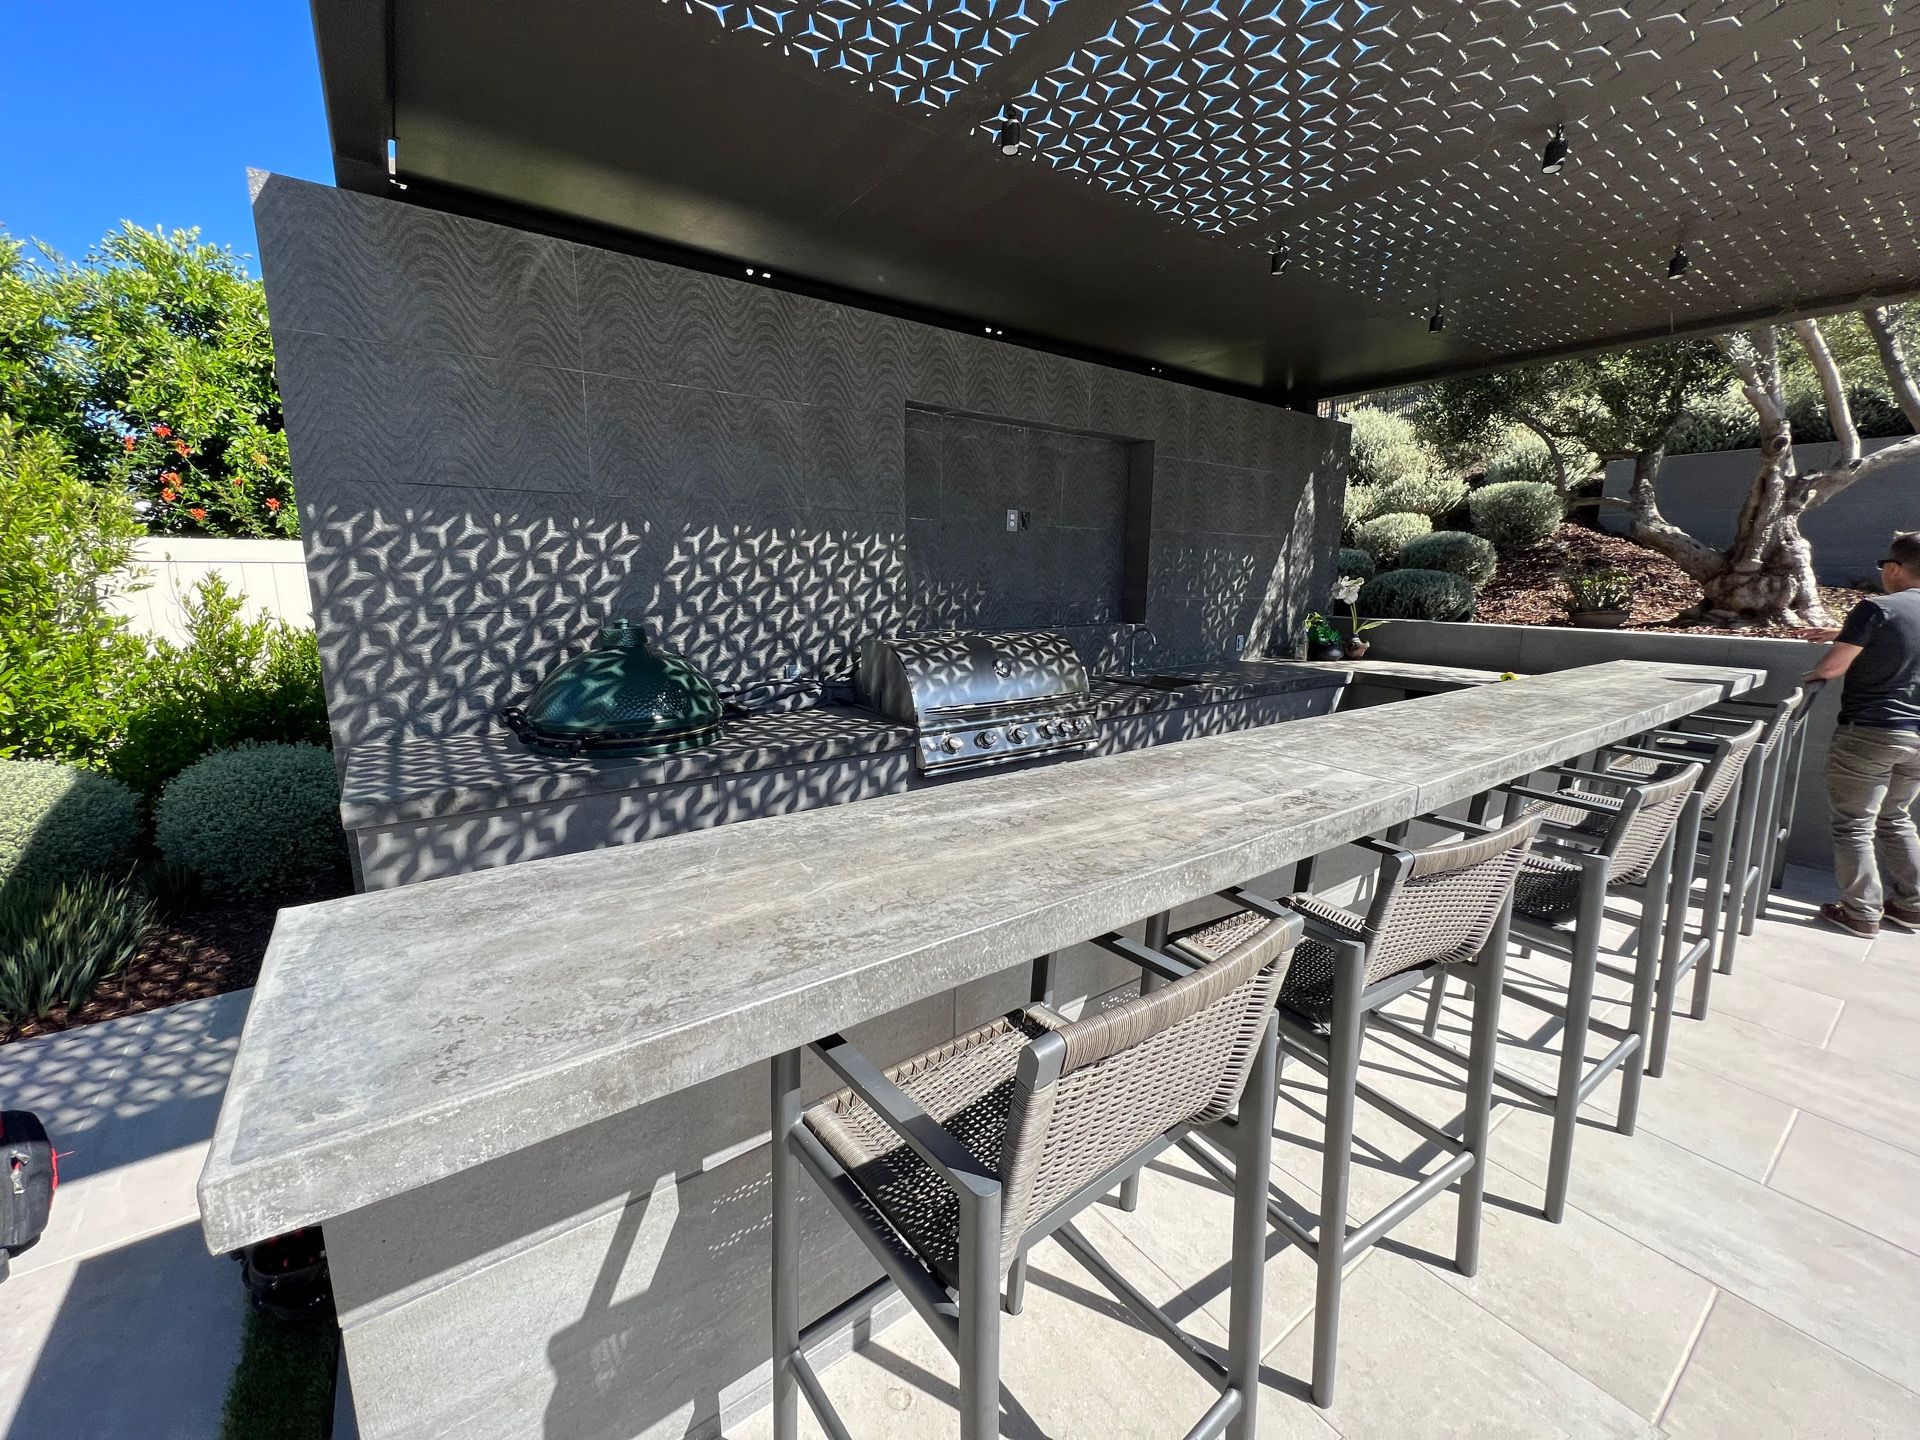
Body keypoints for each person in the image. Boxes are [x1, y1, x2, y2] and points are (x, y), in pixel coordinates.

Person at [1806, 531, 1920, 936]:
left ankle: (1861, 912)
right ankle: (1912, 905)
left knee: (1854, 824)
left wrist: (1814, 672)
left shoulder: (1875, 608)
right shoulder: (1882, 615)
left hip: (1871, 731)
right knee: (1895, 817)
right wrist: (1844, 632)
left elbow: (1833, 667)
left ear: (1893, 568)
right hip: (1917, 739)